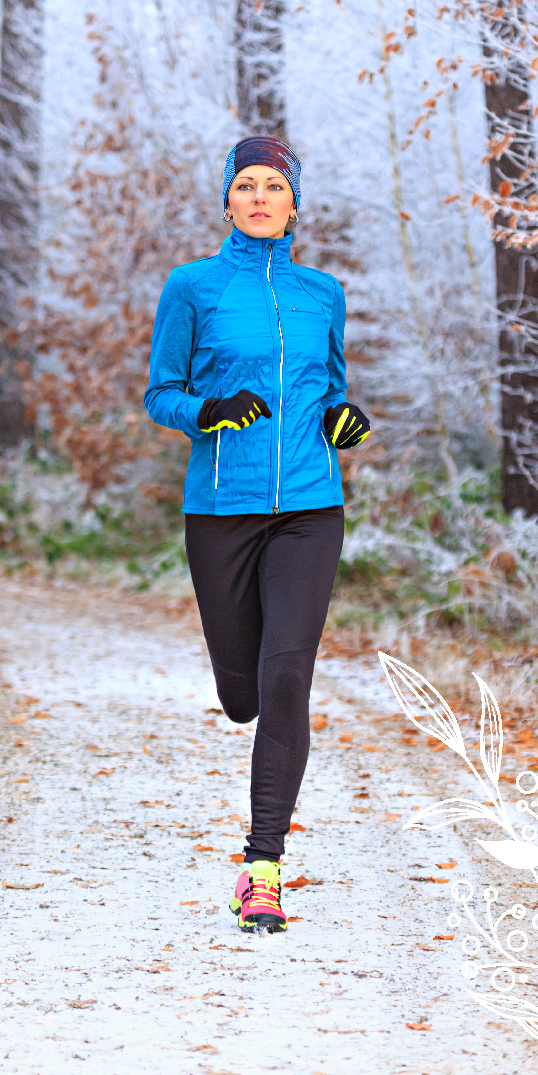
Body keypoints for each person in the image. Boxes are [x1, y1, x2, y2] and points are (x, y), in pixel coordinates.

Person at [144, 135, 371, 933]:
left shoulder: (321, 293)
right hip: (221, 510)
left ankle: (262, 868)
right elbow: (160, 392)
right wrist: (204, 409)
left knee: (286, 681)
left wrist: (344, 420)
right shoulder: (193, 287)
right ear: (229, 202)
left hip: (310, 507)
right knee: (242, 692)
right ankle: (237, 691)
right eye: (247, 185)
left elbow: (333, 388)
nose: (261, 196)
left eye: (275, 185)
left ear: (295, 204)